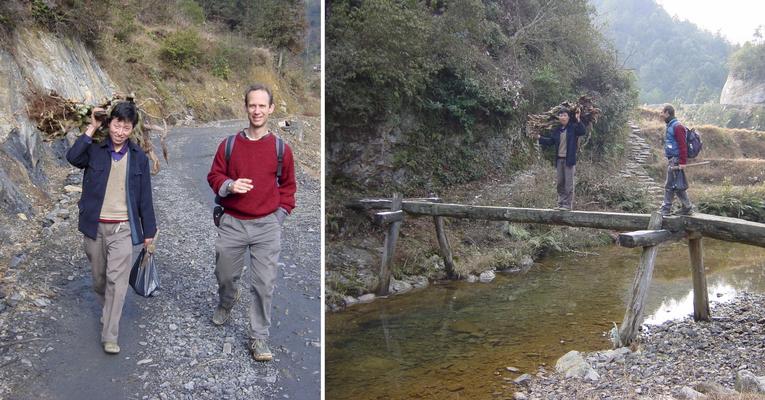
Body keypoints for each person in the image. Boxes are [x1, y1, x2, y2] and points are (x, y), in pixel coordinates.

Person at [206, 84, 296, 361]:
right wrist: (230, 186)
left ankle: (259, 338)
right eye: (252, 105)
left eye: (262, 106)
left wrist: (278, 217)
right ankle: (227, 300)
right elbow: (214, 176)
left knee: (263, 284)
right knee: (225, 273)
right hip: (232, 222)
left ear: (271, 109)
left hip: (267, 226)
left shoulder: (282, 148)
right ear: (245, 108)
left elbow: (288, 187)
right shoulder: (229, 145)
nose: (257, 111)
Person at [66, 101, 157, 354]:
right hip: (94, 227)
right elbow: (73, 157)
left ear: (132, 129)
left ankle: (110, 334)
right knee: (100, 281)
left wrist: (149, 233)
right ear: (110, 124)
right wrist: (91, 128)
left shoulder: (138, 157)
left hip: (123, 229)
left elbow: (145, 198)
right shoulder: (95, 150)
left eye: (126, 127)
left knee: (117, 282)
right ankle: (107, 311)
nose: (120, 131)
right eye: (117, 125)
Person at [535, 107, 587, 210]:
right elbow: (551, 142)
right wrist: (539, 138)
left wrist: (578, 118)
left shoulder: (573, 127)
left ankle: (567, 205)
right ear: (558, 117)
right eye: (561, 115)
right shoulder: (557, 130)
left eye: (564, 115)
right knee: (560, 183)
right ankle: (561, 204)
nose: (562, 117)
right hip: (559, 160)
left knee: (568, 183)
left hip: (569, 161)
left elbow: (582, 131)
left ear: (568, 117)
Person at [658, 104, 693, 216]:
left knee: (669, 185)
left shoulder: (677, 127)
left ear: (668, 112)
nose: (661, 115)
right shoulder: (671, 125)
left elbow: (683, 146)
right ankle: (687, 207)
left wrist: (682, 162)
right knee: (678, 185)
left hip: (676, 160)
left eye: (662, 112)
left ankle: (665, 209)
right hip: (673, 159)